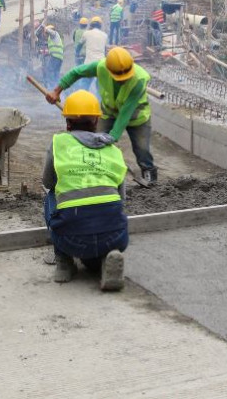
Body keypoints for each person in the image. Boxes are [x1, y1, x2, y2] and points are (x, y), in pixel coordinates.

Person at [42, 90, 128, 291]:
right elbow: (122, 200)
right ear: (96, 122)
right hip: (116, 236)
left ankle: (64, 262)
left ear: (68, 123)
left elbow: (47, 181)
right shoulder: (114, 150)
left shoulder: (59, 143)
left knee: (51, 195)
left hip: (70, 240)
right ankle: (104, 259)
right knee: (108, 207)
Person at [46, 46, 157, 183]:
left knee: (142, 149)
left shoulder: (139, 79)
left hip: (137, 116)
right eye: (119, 77)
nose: (123, 80)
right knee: (93, 140)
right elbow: (76, 72)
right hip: (109, 112)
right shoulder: (100, 67)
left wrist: (113, 136)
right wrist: (57, 91)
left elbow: (126, 112)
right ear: (109, 70)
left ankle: (149, 175)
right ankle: (94, 171)